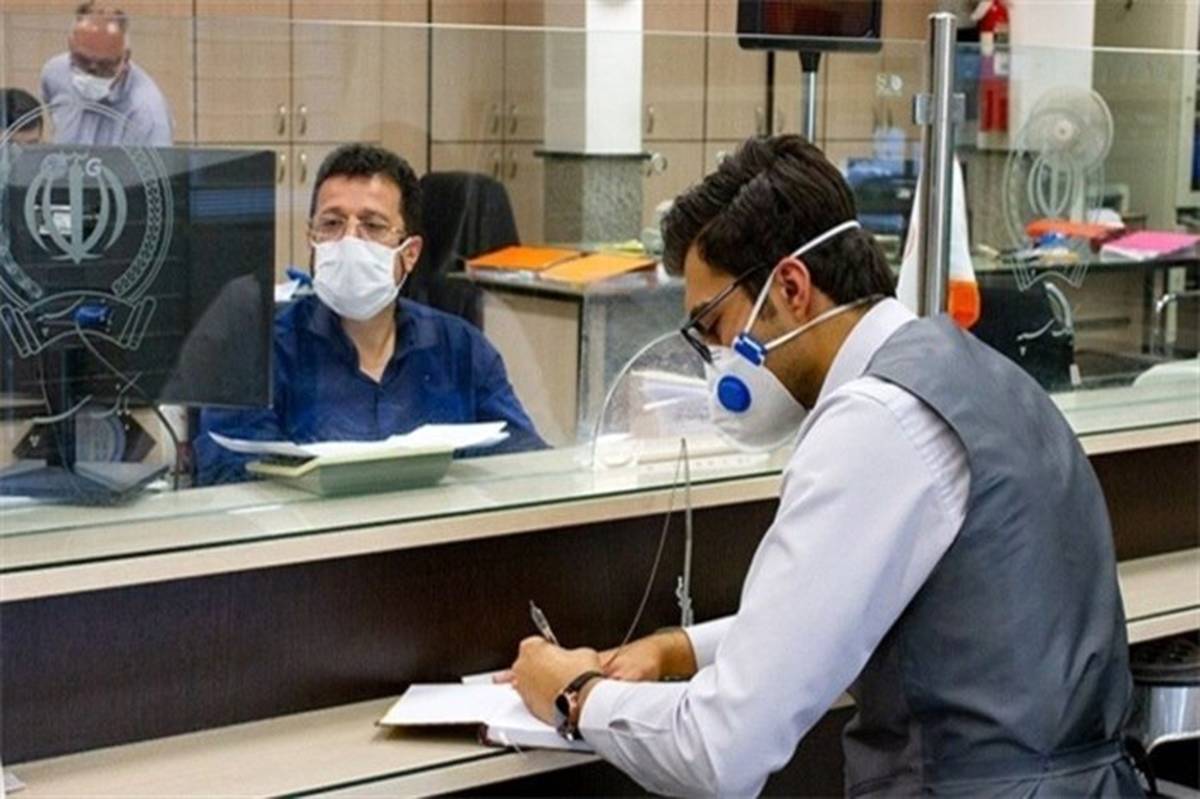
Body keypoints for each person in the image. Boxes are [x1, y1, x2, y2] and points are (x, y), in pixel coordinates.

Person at [508, 135, 1140, 796]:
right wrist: (681, 649)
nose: (716, 356)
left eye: (713, 326)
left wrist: (575, 694)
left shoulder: (876, 420)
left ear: (791, 286)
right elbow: (839, 614)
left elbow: (721, 748)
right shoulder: (971, 375)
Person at [194, 144, 544, 485]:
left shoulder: (462, 349)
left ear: (410, 253)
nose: (349, 240)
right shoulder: (257, 355)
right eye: (332, 223)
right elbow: (227, 478)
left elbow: (528, 463)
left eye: (373, 226)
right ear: (311, 237)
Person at [40, 2, 173, 146]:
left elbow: (155, 161)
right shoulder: (55, 73)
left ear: (125, 58)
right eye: (83, 60)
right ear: (70, 45)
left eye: (104, 65)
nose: (91, 72)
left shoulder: (148, 113)